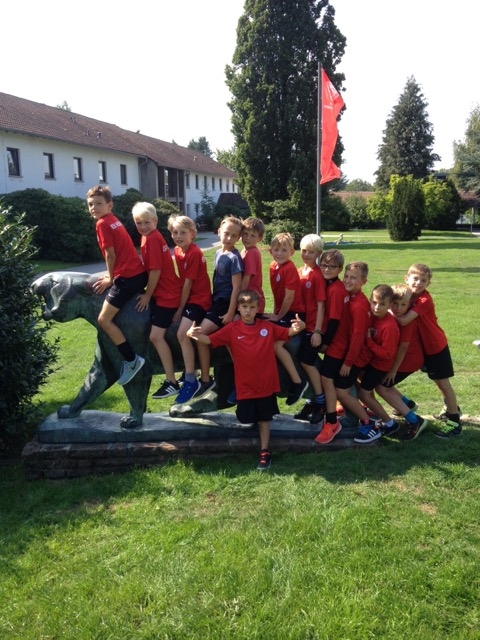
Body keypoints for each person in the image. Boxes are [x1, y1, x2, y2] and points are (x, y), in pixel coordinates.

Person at [186, 290, 306, 470]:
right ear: (239, 308)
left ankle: (264, 451)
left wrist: (300, 327)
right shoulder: (232, 329)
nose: (248, 310)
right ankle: (255, 423)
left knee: (264, 419)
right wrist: (192, 334)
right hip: (245, 386)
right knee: (244, 417)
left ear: (257, 309)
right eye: (244, 307)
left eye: (252, 307)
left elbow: (288, 332)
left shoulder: (267, 327)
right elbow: (209, 340)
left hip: (265, 385)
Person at [86, 185, 147, 386]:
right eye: (90, 204)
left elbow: (110, 254)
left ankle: (131, 360)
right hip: (139, 274)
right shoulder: (113, 220)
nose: (94, 208)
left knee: (104, 320)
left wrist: (111, 279)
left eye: (98, 204)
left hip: (128, 278)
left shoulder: (102, 224)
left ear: (109, 205)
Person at [394, 263, 462, 438]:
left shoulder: (424, 300)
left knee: (443, 384)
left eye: (423, 280)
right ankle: (412, 405)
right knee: (437, 382)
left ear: (428, 284)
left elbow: (404, 320)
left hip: (435, 347)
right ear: (407, 278)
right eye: (415, 278)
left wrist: (386, 310)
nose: (418, 283)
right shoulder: (406, 296)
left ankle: (454, 422)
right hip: (421, 348)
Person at [190, 216, 244, 403]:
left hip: (225, 304)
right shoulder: (219, 253)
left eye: (234, 236)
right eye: (226, 233)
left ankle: (206, 380)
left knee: (199, 334)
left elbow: (236, 287)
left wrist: (230, 312)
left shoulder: (234, 258)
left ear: (238, 238)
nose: (229, 238)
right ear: (219, 232)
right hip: (216, 301)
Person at [132, 202, 182, 399]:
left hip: (167, 296)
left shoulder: (152, 239)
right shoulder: (149, 237)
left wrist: (147, 295)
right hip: (165, 292)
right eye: (139, 223)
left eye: (147, 222)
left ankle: (171, 381)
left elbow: (155, 271)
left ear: (155, 221)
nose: (143, 226)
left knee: (155, 336)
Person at [168, 215, 212, 405]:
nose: (178, 236)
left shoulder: (194, 253)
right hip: (189, 298)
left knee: (182, 334)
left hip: (199, 300)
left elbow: (188, 284)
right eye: (175, 232)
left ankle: (191, 379)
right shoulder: (178, 250)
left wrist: (180, 309)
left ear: (192, 234)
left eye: (183, 233)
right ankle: (188, 371)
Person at [375, 284, 428, 440]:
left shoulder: (406, 322)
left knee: (382, 387)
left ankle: (415, 420)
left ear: (409, 304)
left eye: (403, 305)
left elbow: (403, 347)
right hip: (404, 359)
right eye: (395, 304)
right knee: (386, 382)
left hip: (408, 360)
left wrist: (393, 370)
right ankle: (408, 404)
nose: (398, 308)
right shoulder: (392, 315)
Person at [264, 232, 308, 406]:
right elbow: (277, 294)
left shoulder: (289, 268)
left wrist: (278, 316)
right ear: (270, 251)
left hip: (295, 313)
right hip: (283, 312)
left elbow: (289, 298)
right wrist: (275, 313)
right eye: (276, 249)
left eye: (284, 250)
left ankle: (298, 382)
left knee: (277, 345)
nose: (280, 253)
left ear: (291, 252)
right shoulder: (272, 266)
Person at [353, 285, 400, 444]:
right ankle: (374, 413)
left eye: (382, 304)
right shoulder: (374, 317)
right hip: (371, 361)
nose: (377, 307)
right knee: (360, 383)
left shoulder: (389, 326)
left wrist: (369, 342)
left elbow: (387, 354)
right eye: (374, 303)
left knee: (364, 394)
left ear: (390, 305)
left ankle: (390, 423)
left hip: (380, 366)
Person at [314, 249, 350, 444]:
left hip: (337, 343)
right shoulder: (334, 285)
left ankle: (332, 422)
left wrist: (325, 343)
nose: (327, 269)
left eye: (332, 266)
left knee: (326, 379)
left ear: (340, 268)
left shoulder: (335, 290)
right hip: (340, 341)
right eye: (324, 265)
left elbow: (334, 320)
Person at [333, 261, 374, 430]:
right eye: (346, 276)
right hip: (353, 354)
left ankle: (367, 422)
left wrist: (348, 362)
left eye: (353, 278)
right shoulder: (351, 297)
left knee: (341, 391)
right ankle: (361, 414)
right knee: (350, 386)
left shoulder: (359, 305)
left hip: (356, 357)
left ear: (363, 281)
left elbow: (358, 337)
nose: (348, 280)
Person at [295, 234, 326, 425]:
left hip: (312, 326)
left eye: (311, 252)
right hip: (300, 323)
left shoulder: (317, 275)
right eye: (304, 250)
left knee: (307, 362)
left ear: (319, 253)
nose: (306, 254)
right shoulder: (299, 271)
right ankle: (311, 401)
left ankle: (321, 402)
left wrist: (317, 331)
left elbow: (321, 305)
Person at [240, 217, 266, 314]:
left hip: (251, 301)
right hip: (250, 299)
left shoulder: (251, 253)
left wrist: (236, 300)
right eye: (245, 233)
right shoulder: (245, 251)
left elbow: (245, 281)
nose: (248, 238)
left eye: (253, 235)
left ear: (260, 238)